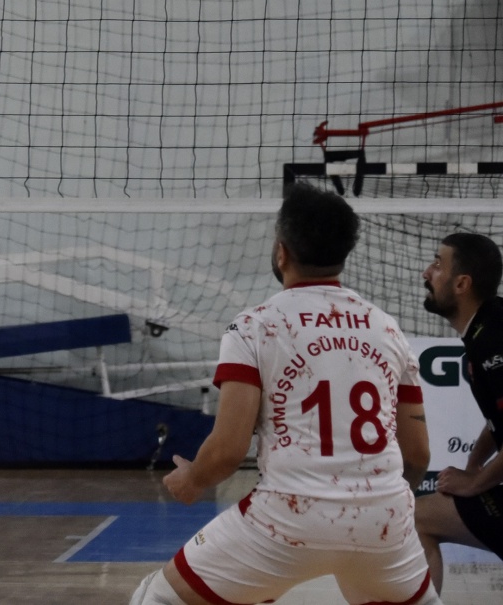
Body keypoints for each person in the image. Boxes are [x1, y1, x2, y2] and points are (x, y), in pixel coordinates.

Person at [125, 185, 441, 605]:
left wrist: (193, 479)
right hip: (383, 522)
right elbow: (418, 454)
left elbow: (228, 451)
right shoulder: (387, 328)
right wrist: (379, 505)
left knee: (159, 597)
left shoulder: (255, 326)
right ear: (345, 254)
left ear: (281, 252)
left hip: (287, 521)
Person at [414, 231, 503, 591]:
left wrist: (477, 482)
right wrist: (473, 466)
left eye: (438, 264)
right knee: (419, 516)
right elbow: (497, 421)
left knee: (414, 519)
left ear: (462, 284)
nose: (426, 272)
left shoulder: (493, 342)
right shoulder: (488, 326)